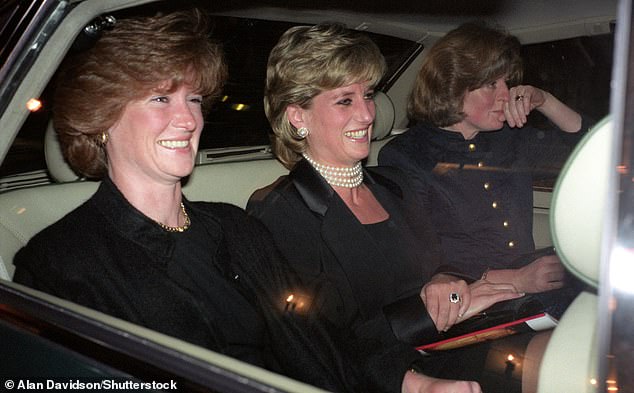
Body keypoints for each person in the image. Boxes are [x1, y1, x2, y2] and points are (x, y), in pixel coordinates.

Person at [12, 9, 377, 393]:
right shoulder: (58, 266)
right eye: (160, 99)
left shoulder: (237, 228)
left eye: (194, 99)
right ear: (102, 119)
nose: (188, 119)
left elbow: (319, 348)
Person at [247, 22, 544, 393]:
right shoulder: (279, 213)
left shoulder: (393, 185)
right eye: (345, 100)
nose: (368, 114)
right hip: (377, 378)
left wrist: (446, 284)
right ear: (297, 116)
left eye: (368, 94)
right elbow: (317, 346)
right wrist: (419, 379)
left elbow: (439, 264)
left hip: (448, 343)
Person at [378, 22, 592, 314]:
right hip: (471, 302)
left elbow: (591, 146)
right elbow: (422, 266)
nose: (506, 95)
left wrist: (544, 100)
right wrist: (516, 280)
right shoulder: (407, 155)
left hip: (532, 289)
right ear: (452, 87)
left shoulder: (511, 138)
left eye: (507, 83)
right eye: (492, 84)